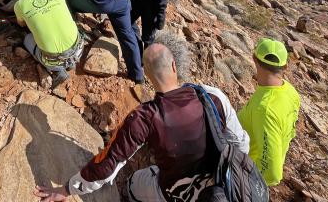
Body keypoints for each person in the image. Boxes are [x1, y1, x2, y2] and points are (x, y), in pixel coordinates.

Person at [33, 43, 249, 201]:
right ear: (174, 66)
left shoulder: (144, 117)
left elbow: (108, 165)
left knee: (135, 182)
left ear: (146, 74)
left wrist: (66, 189)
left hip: (174, 192)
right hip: (223, 186)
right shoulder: (212, 96)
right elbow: (240, 143)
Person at [238, 38, 301, 187]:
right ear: (285, 66)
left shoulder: (264, 109)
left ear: (254, 59)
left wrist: (244, 185)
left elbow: (272, 173)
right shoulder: (290, 91)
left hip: (244, 175)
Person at [14, 0, 83, 89]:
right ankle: (71, 62)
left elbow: (22, 24)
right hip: (78, 48)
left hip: (53, 61)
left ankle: (58, 70)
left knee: (27, 39)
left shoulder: (19, 5)